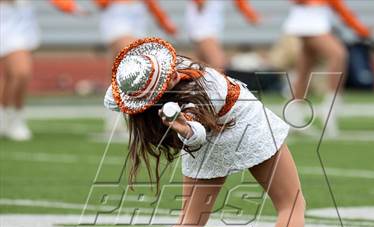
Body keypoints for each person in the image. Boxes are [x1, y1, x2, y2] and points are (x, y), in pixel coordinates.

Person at [103, 37, 328, 227]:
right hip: (245, 125)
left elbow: (115, 98)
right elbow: (195, 133)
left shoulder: (156, 93)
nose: (172, 71)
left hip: (213, 137)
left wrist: (153, 102)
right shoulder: (199, 91)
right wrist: (181, 125)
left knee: (189, 220)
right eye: (167, 77)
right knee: (291, 203)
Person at [51, 0, 177, 135]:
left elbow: (151, 4)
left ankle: (114, 119)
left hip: (137, 18)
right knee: (133, 63)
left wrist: (165, 23)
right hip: (117, 19)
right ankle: (132, 118)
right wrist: (69, 6)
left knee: (118, 71)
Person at [283, 0, 371, 136]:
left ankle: (294, 116)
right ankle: (329, 107)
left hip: (313, 21)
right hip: (308, 22)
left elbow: (340, 8)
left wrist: (360, 29)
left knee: (305, 68)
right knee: (338, 55)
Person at [0, 0, 41, 141]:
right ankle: (7, 117)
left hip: (19, 18)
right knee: (15, 74)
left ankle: (14, 118)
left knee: (18, 74)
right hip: (4, 16)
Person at [186, 0, 260, 71]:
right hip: (205, 32)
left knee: (202, 69)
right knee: (218, 67)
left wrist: (250, 15)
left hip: (201, 31)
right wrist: (251, 15)